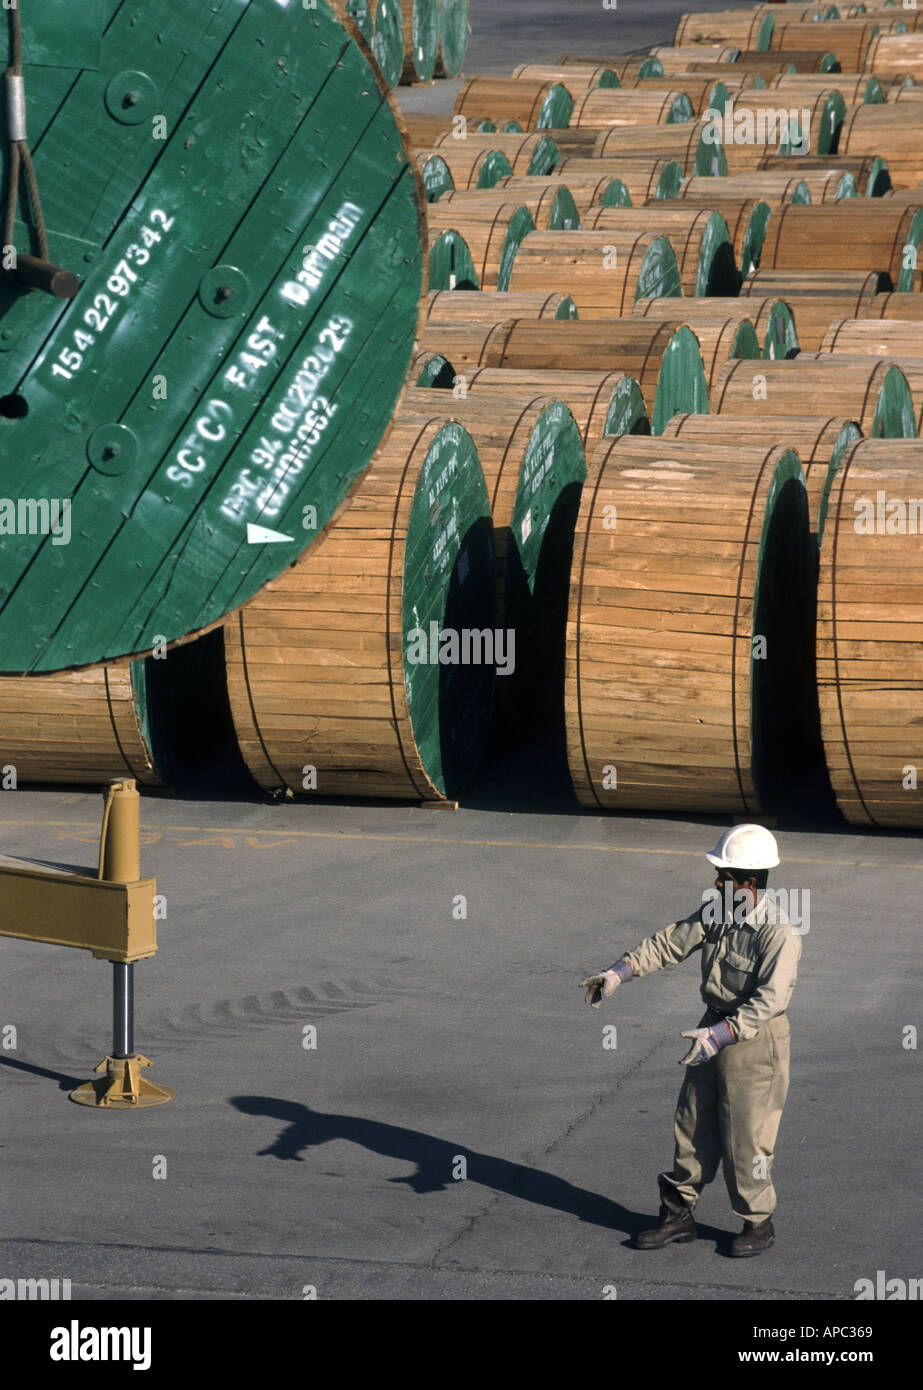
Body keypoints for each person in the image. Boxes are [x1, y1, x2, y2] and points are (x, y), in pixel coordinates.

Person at [581, 824, 801, 1257]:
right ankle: (678, 1213)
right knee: (692, 1122)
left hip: (753, 1042)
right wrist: (616, 974)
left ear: (750, 883)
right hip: (711, 1028)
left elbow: (770, 1001)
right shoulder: (719, 910)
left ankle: (758, 1222)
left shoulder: (778, 934)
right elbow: (669, 943)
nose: (716, 883)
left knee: (746, 1135)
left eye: (725, 876)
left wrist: (721, 1035)